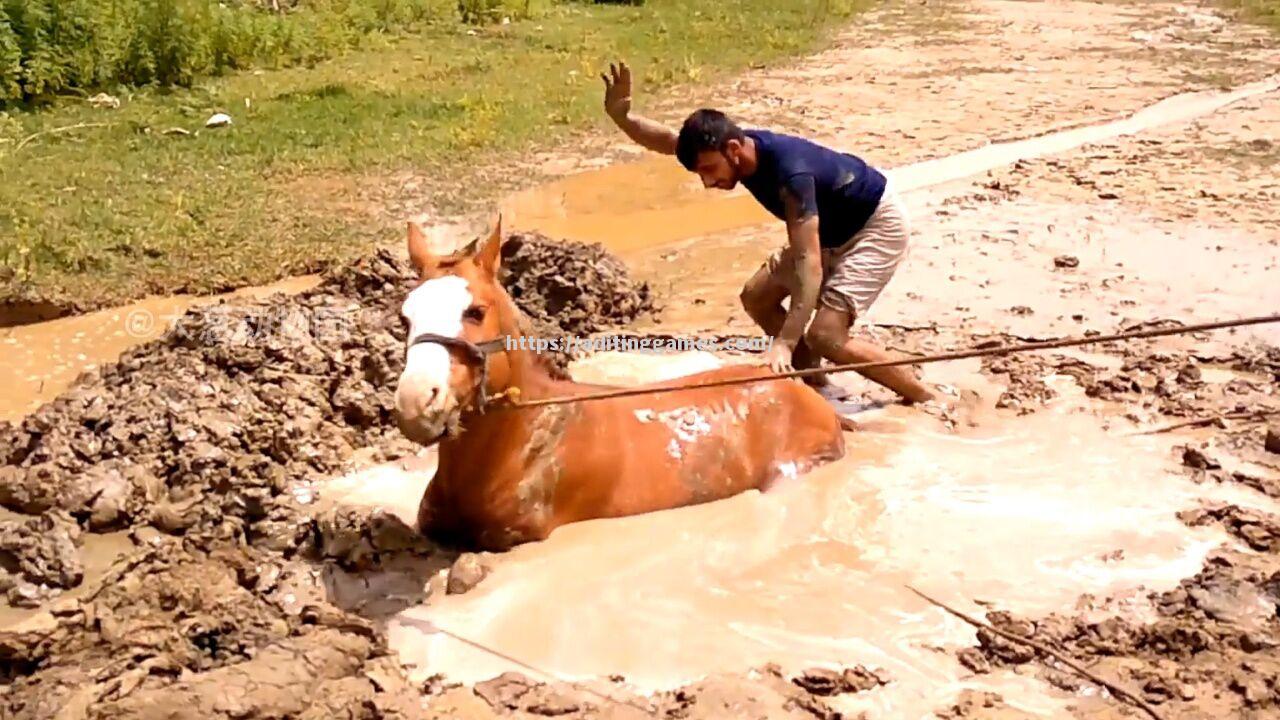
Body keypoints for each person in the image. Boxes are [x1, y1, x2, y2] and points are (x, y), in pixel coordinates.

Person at [601, 60, 937, 405]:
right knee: (757, 298)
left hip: (874, 227)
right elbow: (668, 141)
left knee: (826, 335)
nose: (707, 182)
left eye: (708, 170)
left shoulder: (791, 177)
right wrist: (624, 118)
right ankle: (817, 386)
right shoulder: (732, 149)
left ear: (732, 150)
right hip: (827, 227)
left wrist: (785, 342)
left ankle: (927, 397)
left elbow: (809, 264)